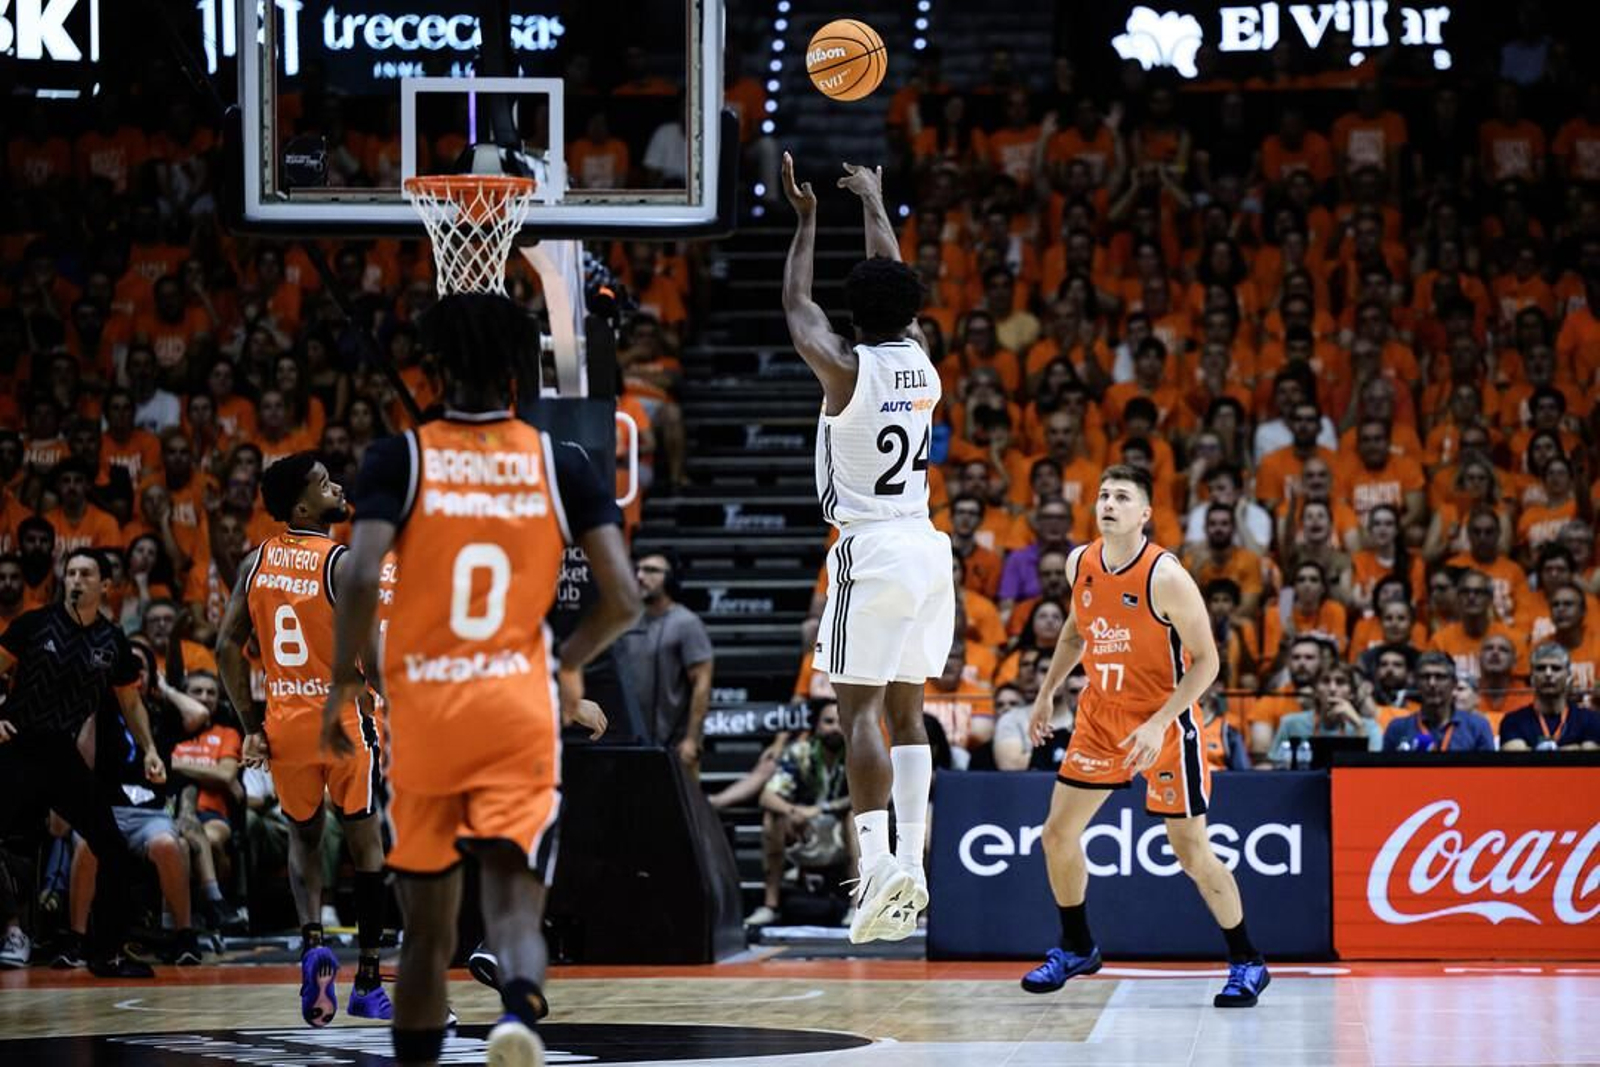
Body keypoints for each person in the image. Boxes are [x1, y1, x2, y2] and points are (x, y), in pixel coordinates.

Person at [320, 293, 640, 1067]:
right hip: (517, 707)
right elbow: (625, 597)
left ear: (434, 367)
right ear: (514, 372)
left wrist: (339, 685)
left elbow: (360, 575)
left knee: (428, 933)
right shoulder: (560, 462)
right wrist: (566, 664)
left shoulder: (400, 457)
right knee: (514, 907)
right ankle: (521, 1013)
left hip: (427, 709)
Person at [781, 153, 954, 943]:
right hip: (927, 546)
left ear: (856, 317)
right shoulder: (921, 362)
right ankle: (914, 863)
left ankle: (877, 863)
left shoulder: (844, 368)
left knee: (857, 713)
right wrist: (876, 198)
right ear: (910, 312)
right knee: (908, 710)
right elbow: (890, 271)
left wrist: (809, 219)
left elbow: (796, 305)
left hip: (871, 547)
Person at [1021, 464, 1270, 1007]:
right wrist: (1046, 694)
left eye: (1121, 496)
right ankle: (1076, 945)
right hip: (1098, 717)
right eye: (1103, 494)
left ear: (1144, 513)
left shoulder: (1166, 576)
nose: (1108, 503)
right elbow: (1074, 631)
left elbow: (1208, 663)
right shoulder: (1079, 563)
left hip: (1164, 724)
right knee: (1056, 835)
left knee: (1191, 852)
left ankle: (1247, 959)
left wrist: (1160, 721)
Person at [215, 451, 392, 1027]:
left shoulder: (255, 562)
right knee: (366, 845)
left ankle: (313, 942)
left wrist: (251, 727)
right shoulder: (340, 563)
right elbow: (375, 660)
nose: (337, 487)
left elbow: (225, 649)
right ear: (300, 506)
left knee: (304, 837)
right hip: (342, 720)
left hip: (285, 723)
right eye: (323, 484)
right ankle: (367, 979)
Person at [0, 548, 165, 978]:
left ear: (105, 586)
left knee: (113, 849)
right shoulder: (35, 624)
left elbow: (131, 702)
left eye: (86, 573)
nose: (75, 580)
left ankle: (106, 953)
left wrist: (149, 749)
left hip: (63, 758)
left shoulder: (113, 643)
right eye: (70, 572)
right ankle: (11, 930)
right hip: (17, 747)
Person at [748, 702, 853, 927]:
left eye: (841, 722)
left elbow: (873, 795)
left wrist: (823, 809)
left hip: (842, 829)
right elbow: (766, 796)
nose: (835, 727)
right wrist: (793, 811)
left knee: (857, 818)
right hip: (802, 829)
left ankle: (858, 906)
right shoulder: (799, 752)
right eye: (828, 721)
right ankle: (770, 905)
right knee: (772, 818)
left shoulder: (858, 754)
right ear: (816, 727)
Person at [616, 552, 714, 770]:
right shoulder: (625, 623)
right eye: (638, 570)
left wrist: (692, 739)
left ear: (670, 579)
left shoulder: (687, 623)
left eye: (651, 570)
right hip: (632, 743)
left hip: (674, 746)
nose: (640, 576)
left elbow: (702, 684)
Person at [1382, 652, 1497, 752]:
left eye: (1440, 677)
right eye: (1425, 677)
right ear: (1416, 683)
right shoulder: (1398, 728)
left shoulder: (1477, 727)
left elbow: (1489, 774)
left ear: (1454, 683)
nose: (1432, 683)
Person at [1500, 643, 1600, 750]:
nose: (1548, 673)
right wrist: (1574, 747)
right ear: (1532, 678)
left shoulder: (1590, 719)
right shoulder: (1513, 720)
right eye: (1541, 668)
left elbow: (1589, 756)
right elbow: (1516, 756)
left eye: (1556, 668)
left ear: (1568, 678)